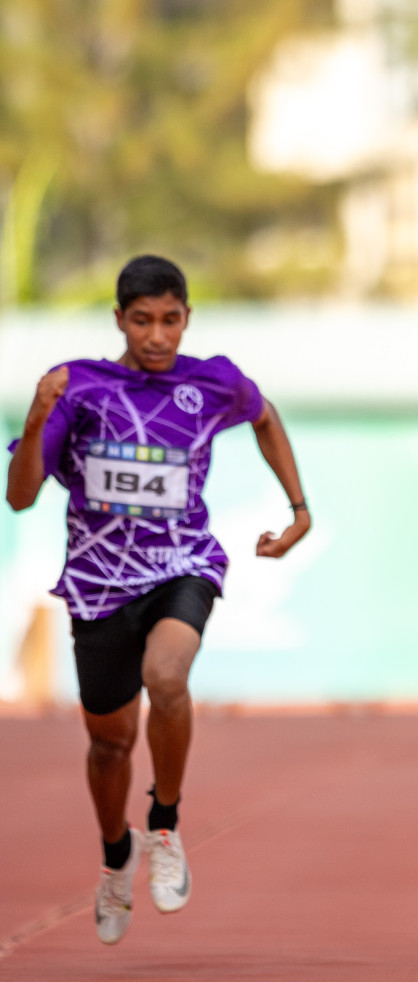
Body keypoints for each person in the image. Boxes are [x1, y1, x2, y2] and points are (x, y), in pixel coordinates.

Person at [5, 255, 310, 945]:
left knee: (167, 676)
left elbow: (265, 417)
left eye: (170, 320)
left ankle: (166, 823)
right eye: (142, 321)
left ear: (187, 319)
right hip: (97, 583)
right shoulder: (79, 389)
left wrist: (298, 509)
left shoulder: (213, 381)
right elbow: (20, 496)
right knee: (109, 744)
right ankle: (118, 856)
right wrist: (36, 413)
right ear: (119, 320)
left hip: (182, 565)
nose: (157, 336)